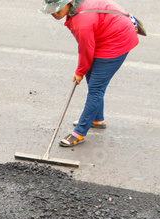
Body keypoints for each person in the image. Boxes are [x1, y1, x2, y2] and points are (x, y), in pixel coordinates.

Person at [42, 0, 139, 147]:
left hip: (116, 40)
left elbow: (86, 49)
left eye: (58, 8)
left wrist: (80, 71)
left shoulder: (82, 21)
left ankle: (79, 133)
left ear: (68, 2)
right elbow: (88, 46)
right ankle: (97, 119)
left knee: (96, 88)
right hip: (106, 33)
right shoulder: (77, 8)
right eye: (52, 10)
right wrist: (84, 71)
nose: (55, 13)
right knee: (92, 78)